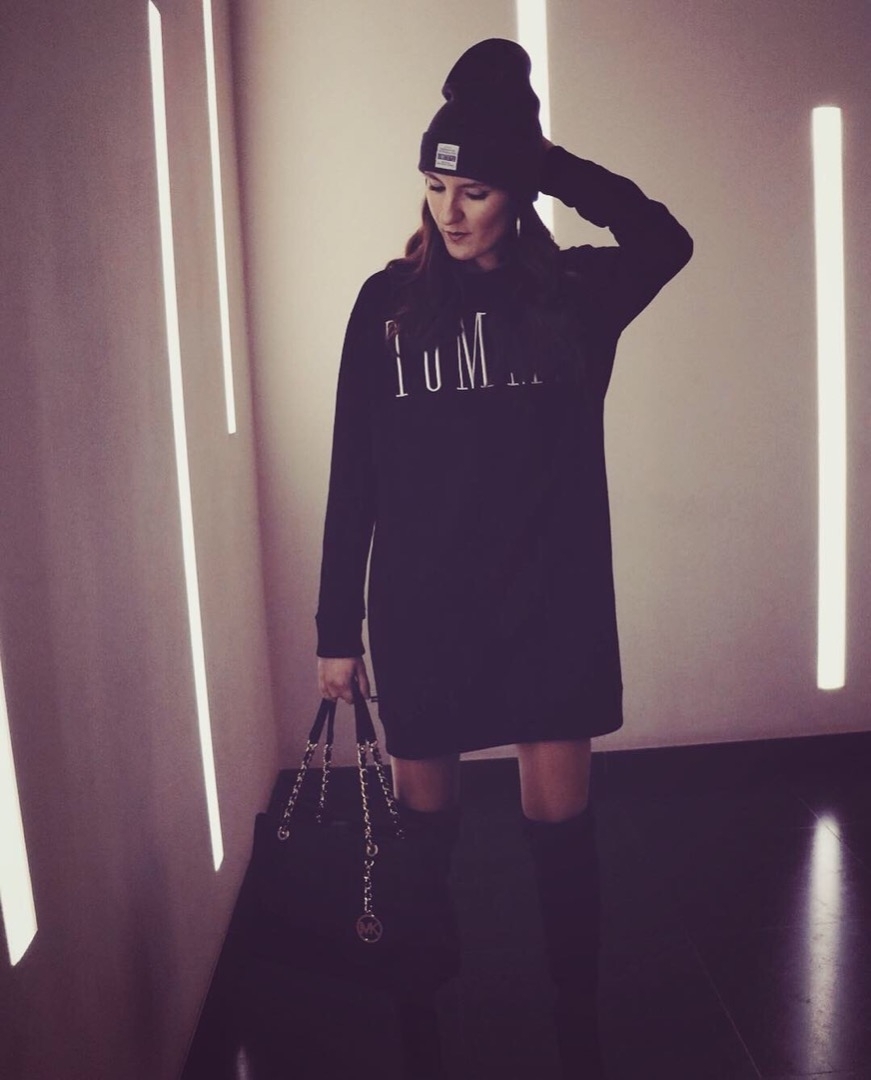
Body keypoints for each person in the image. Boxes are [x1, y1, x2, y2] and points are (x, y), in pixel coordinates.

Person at [315, 38, 693, 1080]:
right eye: (435, 186)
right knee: (423, 842)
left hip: (549, 608)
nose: (449, 210)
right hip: (423, 612)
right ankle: (420, 1020)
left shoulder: (573, 297)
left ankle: (577, 1019)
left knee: (561, 840)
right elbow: (354, 471)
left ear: (514, 192)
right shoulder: (385, 307)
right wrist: (335, 629)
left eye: (475, 189)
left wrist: (546, 162)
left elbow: (664, 238)